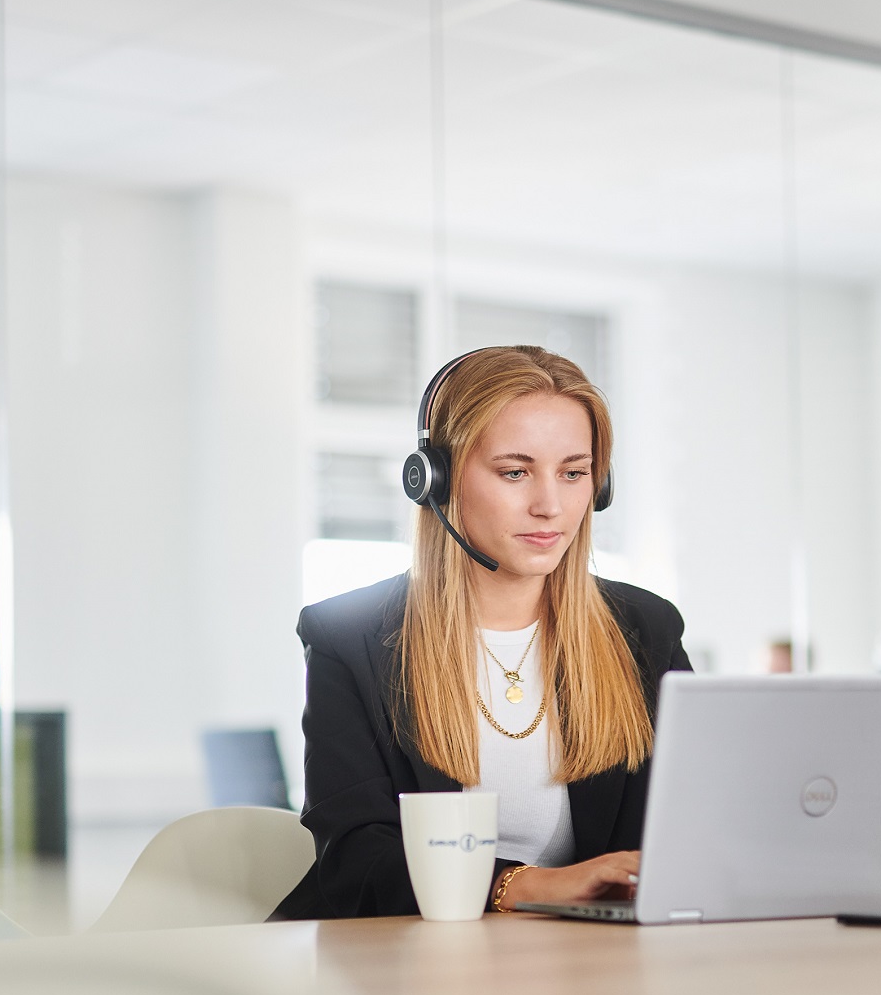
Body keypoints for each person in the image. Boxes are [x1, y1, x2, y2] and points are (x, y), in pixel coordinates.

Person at [272, 345, 690, 920]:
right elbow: (355, 862)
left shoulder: (647, 630)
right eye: (515, 472)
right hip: (394, 967)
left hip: (586, 967)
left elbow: (688, 829)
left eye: (574, 473)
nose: (551, 505)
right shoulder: (350, 637)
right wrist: (527, 886)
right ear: (435, 480)